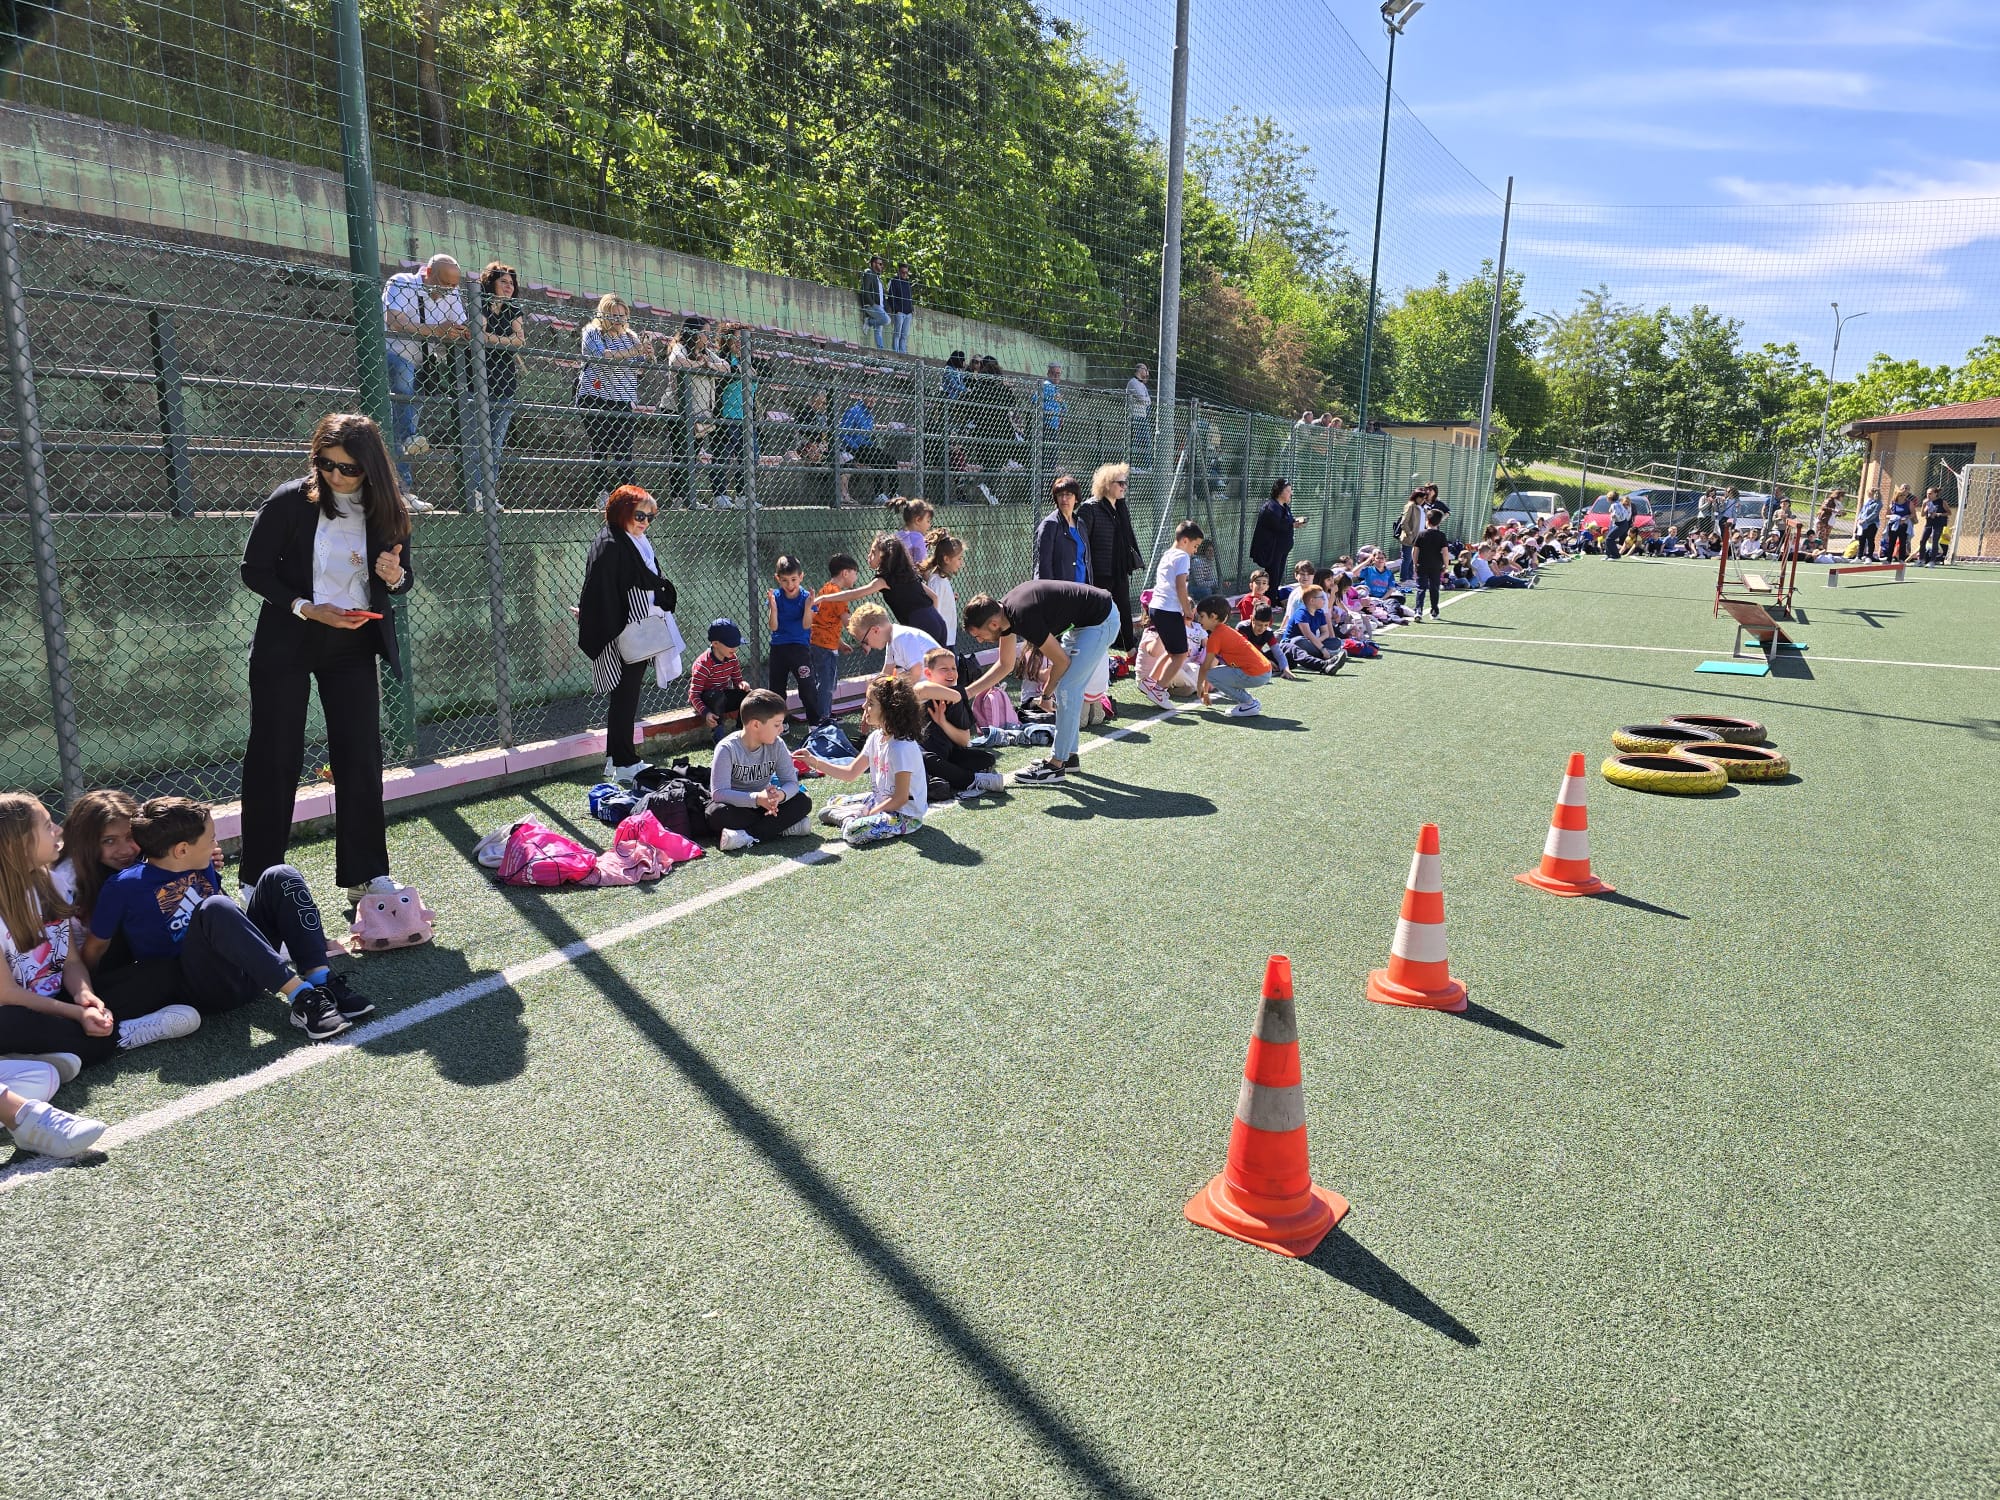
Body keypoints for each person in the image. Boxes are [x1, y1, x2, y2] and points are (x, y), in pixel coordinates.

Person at [239, 412, 411, 902]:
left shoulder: (388, 508)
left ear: (372, 468)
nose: (336, 476)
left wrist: (394, 574)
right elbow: (254, 570)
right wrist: (307, 607)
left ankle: (366, 875)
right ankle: (259, 880)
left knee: (360, 756)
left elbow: (403, 578)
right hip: (289, 639)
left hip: (353, 644)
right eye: (325, 463)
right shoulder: (290, 500)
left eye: (349, 468)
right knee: (276, 755)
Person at [86, 797, 362, 1040]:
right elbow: (96, 947)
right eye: (211, 838)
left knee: (281, 875)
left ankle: (321, 982)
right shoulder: (123, 887)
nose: (216, 845)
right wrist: (84, 995)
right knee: (215, 907)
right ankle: (301, 998)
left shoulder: (201, 861)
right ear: (182, 850)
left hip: (250, 970)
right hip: (206, 988)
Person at [0, 791, 198, 1082]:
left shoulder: (49, 881)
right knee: (7, 1024)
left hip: (59, 999)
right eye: (46, 825)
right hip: (21, 1010)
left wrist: (86, 997)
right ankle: (121, 1035)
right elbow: (8, 995)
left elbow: (70, 961)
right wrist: (76, 1013)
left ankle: (46, 1054)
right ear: (19, 843)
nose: (58, 830)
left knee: (162, 973)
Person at [962, 578, 1120, 786]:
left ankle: (1056, 765)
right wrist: (965, 694)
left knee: (1067, 688)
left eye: (979, 635)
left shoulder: (1023, 616)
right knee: (1068, 688)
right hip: (1083, 623)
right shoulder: (1004, 615)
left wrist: (1046, 694)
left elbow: (1061, 662)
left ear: (993, 624)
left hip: (1100, 620)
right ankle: (1069, 757)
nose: (980, 641)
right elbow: (1005, 664)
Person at [576, 486, 678, 783]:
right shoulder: (611, 543)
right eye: (639, 515)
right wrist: (594, 617)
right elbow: (601, 587)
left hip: (636, 626)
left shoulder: (631, 540)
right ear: (622, 512)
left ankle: (616, 758)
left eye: (650, 517)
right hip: (622, 629)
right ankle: (623, 760)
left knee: (626, 695)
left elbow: (644, 580)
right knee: (625, 695)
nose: (645, 522)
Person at [379, 252, 463, 511]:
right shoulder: (400, 282)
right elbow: (394, 321)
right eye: (444, 283)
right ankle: (403, 480)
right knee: (404, 393)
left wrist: (462, 330)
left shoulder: (452, 291)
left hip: (424, 365)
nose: (450, 290)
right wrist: (437, 331)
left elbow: (460, 326)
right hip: (393, 354)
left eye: (453, 285)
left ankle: (401, 491)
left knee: (401, 427)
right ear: (427, 274)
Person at [802, 675, 930, 846]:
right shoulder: (876, 737)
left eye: (870, 703)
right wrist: (813, 761)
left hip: (905, 815)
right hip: (881, 801)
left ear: (889, 710)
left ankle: (849, 817)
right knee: (834, 800)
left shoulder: (901, 748)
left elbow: (900, 798)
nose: (864, 706)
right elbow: (850, 773)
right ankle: (851, 813)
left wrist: (870, 814)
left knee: (853, 832)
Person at [707, 691, 815, 851]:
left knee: (803, 801)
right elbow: (719, 793)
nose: (781, 730)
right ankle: (782, 828)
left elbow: (791, 782)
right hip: (739, 807)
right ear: (756, 724)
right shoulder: (727, 748)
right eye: (776, 725)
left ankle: (745, 836)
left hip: (768, 806)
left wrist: (779, 796)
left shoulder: (777, 744)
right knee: (715, 813)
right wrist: (758, 798)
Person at [576, 294, 653, 502]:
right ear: (603, 314)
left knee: (624, 449)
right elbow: (602, 356)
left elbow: (639, 367)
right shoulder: (592, 332)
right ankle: (602, 493)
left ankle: (629, 496)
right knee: (600, 445)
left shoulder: (631, 336)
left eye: (622, 315)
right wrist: (633, 352)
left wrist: (647, 354)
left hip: (622, 398)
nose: (619, 319)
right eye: (614, 315)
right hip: (595, 395)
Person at [912, 648, 1004, 799]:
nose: (951, 673)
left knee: (987, 759)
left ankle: (941, 779)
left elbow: (964, 739)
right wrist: (956, 695)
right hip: (923, 754)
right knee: (924, 758)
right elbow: (921, 689)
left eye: (954, 668)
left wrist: (942, 722)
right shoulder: (937, 693)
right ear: (928, 674)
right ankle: (970, 780)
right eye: (944, 669)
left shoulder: (958, 698)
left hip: (948, 755)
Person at [475, 261, 526, 506]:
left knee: (495, 445)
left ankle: (487, 495)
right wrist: (505, 340)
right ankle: (473, 493)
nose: (509, 287)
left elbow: (520, 341)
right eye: (503, 282)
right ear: (490, 282)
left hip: (505, 382)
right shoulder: (480, 302)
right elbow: (478, 334)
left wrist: (493, 340)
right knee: (476, 440)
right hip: (478, 380)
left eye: (511, 283)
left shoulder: (513, 309)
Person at [1078, 463, 1143, 650]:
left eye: (1125, 482)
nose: (1124, 486)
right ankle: (1093, 649)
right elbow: (1083, 543)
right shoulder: (1089, 508)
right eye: (1120, 482)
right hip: (1100, 571)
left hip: (1119, 569)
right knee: (1099, 612)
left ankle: (1129, 648)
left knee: (1124, 608)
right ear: (1107, 484)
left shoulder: (1121, 508)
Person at [1139, 521, 1202, 709]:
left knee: (1172, 651)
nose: (1195, 551)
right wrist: (1187, 609)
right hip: (1169, 609)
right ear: (1184, 541)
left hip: (1157, 608)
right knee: (1181, 655)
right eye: (1195, 546)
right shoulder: (1183, 556)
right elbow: (1181, 585)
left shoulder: (1167, 554)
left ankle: (1151, 682)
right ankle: (1159, 688)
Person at [669, 324, 729, 508]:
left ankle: (688, 498)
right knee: (680, 454)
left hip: (699, 411)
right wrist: (699, 365)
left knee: (692, 454)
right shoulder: (680, 347)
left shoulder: (707, 352)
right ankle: (678, 498)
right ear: (694, 333)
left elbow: (726, 367)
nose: (707, 336)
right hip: (678, 409)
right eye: (704, 332)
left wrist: (708, 365)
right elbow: (677, 362)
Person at [1193, 597, 1273, 717]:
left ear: (1213, 617)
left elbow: (1206, 667)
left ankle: (1248, 703)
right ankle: (1250, 702)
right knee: (1219, 673)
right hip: (1264, 671)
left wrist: (1201, 689)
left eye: (1202, 616)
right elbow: (1211, 667)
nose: (1199, 619)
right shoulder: (1224, 631)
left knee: (1212, 674)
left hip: (1257, 673)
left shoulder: (1216, 636)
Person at [808, 553, 861, 725]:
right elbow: (848, 622)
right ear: (845, 573)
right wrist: (864, 639)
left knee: (825, 681)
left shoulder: (826, 590)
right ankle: (823, 716)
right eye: (855, 572)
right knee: (827, 684)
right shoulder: (837, 594)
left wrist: (841, 643)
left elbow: (826, 621)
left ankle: (824, 713)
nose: (856, 576)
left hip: (821, 642)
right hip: (823, 645)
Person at [765, 554, 817, 720]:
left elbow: (806, 625)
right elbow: (773, 626)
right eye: (785, 580)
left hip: (799, 648)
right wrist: (773, 608)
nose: (790, 584)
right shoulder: (776, 598)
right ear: (777, 579)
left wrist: (808, 607)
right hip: (778, 648)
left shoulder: (805, 597)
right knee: (777, 689)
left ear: (801, 577)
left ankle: (814, 723)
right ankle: (781, 723)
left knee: (807, 686)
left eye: (794, 579)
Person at [844, 602, 939, 679]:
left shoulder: (901, 637)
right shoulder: (891, 641)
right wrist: (872, 695)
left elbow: (916, 672)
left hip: (941, 693)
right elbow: (886, 673)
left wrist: (895, 691)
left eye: (865, 641)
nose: (867, 645)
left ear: (875, 630)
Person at [689, 620, 749, 741]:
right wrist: (706, 713)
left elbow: (738, 681)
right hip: (706, 700)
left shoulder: (732, 658)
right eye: (731, 644)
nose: (735, 648)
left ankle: (741, 733)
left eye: (737, 644)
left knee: (749, 696)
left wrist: (742, 685)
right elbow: (693, 695)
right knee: (717, 697)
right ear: (715, 643)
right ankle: (718, 734)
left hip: (722, 697)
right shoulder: (704, 664)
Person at [1250, 478, 1308, 598]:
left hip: (1282, 549)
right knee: (1273, 573)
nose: (1290, 493)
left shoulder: (1284, 507)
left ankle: (1274, 597)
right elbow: (1277, 524)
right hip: (1272, 549)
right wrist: (1291, 524)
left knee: (1278, 573)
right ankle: (1270, 599)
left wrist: (1295, 522)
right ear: (1280, 492)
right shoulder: (1271, 507)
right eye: (1288, 491)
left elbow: (1286, 522)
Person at [1034, 475, 1091, 584]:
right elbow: (1044, 566)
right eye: (1060, 495)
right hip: (1061, 593)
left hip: (1082, 590)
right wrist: (1051, 593)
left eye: (1068, 494)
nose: (1064, 499)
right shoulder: (1049, 525)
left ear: (1076, 498)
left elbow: (1086, 561)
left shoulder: (1081, 524)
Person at [919, 530, 966, 646]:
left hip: (946, 639)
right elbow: (934, 614)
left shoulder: (941, 579)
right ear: (946, 559)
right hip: (942, 642)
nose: (961, 563)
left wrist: (949, 599)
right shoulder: (937, 581)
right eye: (959, 558)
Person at [1413, 508, 1450, 619]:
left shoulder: (1421, 534)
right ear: (1439, 522)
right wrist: (1446, 566)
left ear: (1427, 520)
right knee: (1434, 588)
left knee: (1421, 588)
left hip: (1422, 565)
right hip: (1436, 566)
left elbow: (1415, 551)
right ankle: (1434, 610)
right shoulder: (1441, 536)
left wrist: (1415, 563)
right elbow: (1445, 552)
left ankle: (1418, 610)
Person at [858, 254, 890, 349]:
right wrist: (872, 303)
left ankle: (880, 350)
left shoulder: (877, 278)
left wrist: (886, 306)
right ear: (873, 263)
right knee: (886, 320)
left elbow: (881, 295)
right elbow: (865, 290)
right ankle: (869, 322)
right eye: (880, 264)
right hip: (871, 305)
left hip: (879, 306)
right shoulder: (868, 273)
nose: (882, 266)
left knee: (878, 330)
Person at [1394, 489, 1425, 584]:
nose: (1423, 500)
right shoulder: (1410, 506)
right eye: (1422, 498)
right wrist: (1410, 533)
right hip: (1410, 538)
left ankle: (1410, 578)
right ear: (1417, 497)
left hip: (1418, 537)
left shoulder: (1420, 507)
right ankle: (1403, 579)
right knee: (1407, 558)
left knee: (1413, 558)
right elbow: (1404, 522)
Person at [892, 498, 934, 566]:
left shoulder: (897, 535)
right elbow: (922, 566)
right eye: (928, 521)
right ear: (917, 520)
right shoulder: (918, 538)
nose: (929, 525)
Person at [886, 262, 915, 354]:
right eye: (903, 272)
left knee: (904, 335)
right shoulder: (894, 281)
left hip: (908, 313)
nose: (905, 274)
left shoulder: (907, 283)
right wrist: (896, 309)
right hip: (899, 312)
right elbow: (891, 296)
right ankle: (895, 352)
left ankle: (903, 353)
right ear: (899, 272)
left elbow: (909, 297)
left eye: (906, 273)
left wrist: (911, 308)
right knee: (897, 333)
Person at [1882, 486, 1915, 563]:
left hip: (1903, 525)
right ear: (1897, 495)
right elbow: (1887, 515)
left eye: (1904, 495)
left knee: (1902, 542)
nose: (1903, 496)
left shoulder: (1909, 503)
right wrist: (1895, 517)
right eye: (1901, 495)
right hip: (1893, 525)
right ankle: (1888, 559)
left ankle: (1901, 559)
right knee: (1891, 542)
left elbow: (1913, 514)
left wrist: (1906, 518)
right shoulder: (1893, 503)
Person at [1125, 362, 1151, 459]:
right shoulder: (1133, 382)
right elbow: (1142, 398)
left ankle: (1145, 467)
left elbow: (1148, 401)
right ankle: (1133, 465)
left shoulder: (1143, 385)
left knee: (1146, 442)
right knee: (1135, 442)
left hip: (1143, 416)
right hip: (1135, 416)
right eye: (1145, 369)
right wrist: (1145, 400)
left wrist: (1145, 400)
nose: (1147, 372)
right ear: (1139, 370)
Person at [1918, 486, 1949, 564]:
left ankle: (1932, 561)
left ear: (1935, 494)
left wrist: (1938, 514)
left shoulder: (1941, 502)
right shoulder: (1927, 502)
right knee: (1922, 541)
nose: (1928, 495)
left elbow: (1949, 512)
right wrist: (1923, 504)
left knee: (1935, 541)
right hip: (1929, 523)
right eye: (1927, 493)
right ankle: (1921, 560)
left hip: (1938, 524)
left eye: (1930, 493)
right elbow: (1922, 514)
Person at [1604, 492, 1633, 560]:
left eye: (1607, 497)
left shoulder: (1614, 505)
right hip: (1621, 523)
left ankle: (1616, 556)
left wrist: (1614, 515)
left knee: (1609, 539)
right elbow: (1626, 513)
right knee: (1608, 538)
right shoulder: (1618, 503)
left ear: (1610, 498)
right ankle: (1608, 555)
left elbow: (1618, 515)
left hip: (1621, 524)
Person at [1855, 489, 1882, 559]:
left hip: (1872, 524)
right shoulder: (1867, 501)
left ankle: (1869, 557)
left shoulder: (1878, 503)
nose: (1869, 495)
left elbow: (1875, 513)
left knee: (1870, 539)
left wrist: (1865, 520)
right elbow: (1862, 511)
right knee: (1861, 540)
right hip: (1862, 524)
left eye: (1870, 493)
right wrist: (1859, 519)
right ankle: (1859, 557)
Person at [1039, 364, 1063, 434]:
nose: (1056, 376)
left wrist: (1061, 402)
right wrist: (1049, 411)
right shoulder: (1046, 385)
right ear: (1048, 374)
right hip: (1047, 424)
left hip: (1055, 425)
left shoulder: (1055, 388)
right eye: (1053, 373)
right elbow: (1035, 400)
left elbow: (1064, 408)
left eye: (1058, 374)